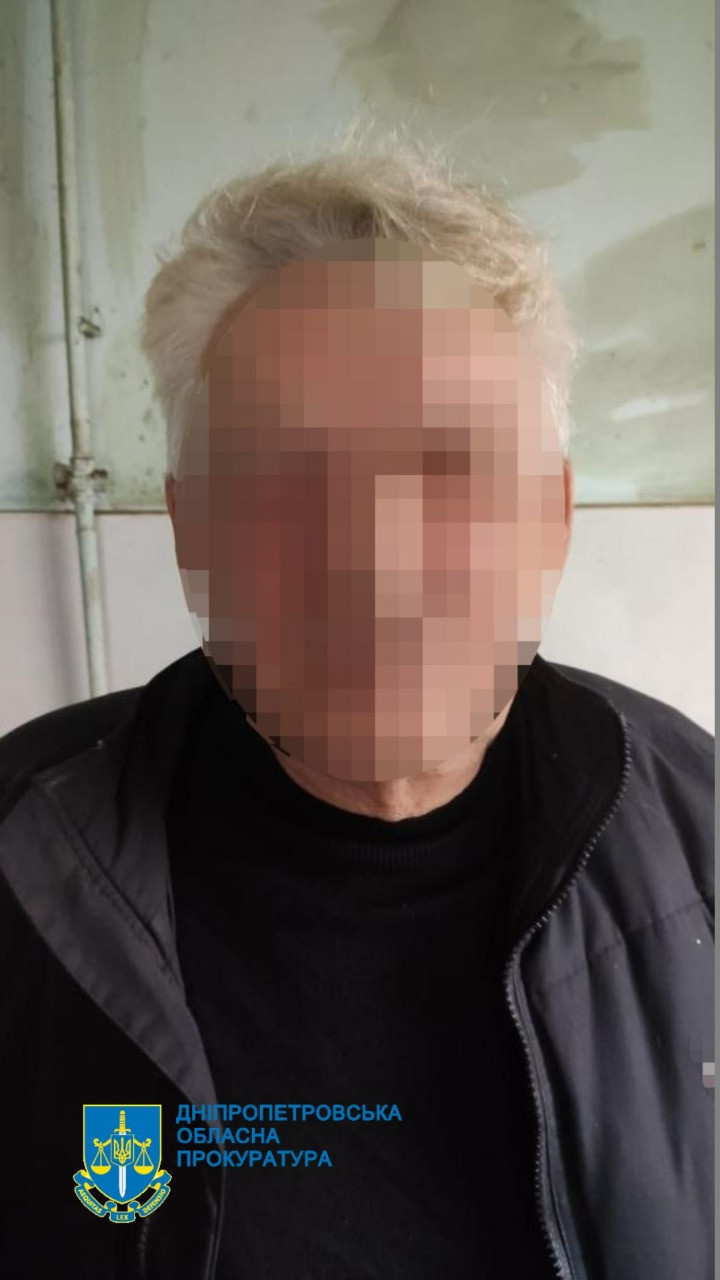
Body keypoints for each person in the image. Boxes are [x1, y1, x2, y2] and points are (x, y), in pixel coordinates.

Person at [0, 135, 713, 1280]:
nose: (371, 560)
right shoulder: (22, 853)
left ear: (550, 519)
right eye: (284, 472)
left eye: (450, 463)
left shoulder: (699, 837)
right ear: (190, 528)